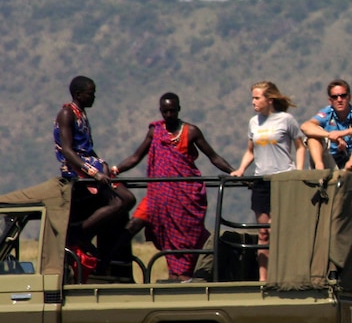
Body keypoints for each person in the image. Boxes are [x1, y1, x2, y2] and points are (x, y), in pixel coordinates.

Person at [112, 93, 236, 281]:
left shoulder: (191, 131)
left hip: (185, 197)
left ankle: (183, 277)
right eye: (165, 111)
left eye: (172, 111)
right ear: (160, 111)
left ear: (179, 109)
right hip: (158, 197)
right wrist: (115, 170)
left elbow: (214, 156)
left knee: (187, 238)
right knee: (133, 225)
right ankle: (113, 269)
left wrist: (234, 172)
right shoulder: (155, 132)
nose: (169, 115)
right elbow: (136, 157)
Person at [54, 75, 136, 282]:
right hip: (77, 169)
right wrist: (94, 172)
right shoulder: (67, 113)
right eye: (91, 93)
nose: (94, 97)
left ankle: (89, 235)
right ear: (78, 94)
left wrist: (103, 167)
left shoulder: (82, 115)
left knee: (128, 198)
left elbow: (87, 148)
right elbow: (68, 151)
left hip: (91, 165)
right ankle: (80, 233)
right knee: (122, 199)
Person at [231, 81, 305, 281]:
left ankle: (285, 276)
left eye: (257, 98)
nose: (253, 102)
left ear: (269, 99)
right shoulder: (254, 122)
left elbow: (300, 146)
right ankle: (263, 280)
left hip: (283, 181)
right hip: (261, 181)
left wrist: (298, 172)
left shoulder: (286, 120)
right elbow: (250, 151)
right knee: (263, 233)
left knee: (278, 230)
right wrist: (240, 169)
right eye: (252, 98)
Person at [300, 79, 352, 173]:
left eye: (343, 96)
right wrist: (329, 135)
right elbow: (305, 126)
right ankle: (319, 166)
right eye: (335, 97)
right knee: (313, 134)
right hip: (332, 164)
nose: (339, 100)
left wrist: (344, 133)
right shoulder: (327, 113)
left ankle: (350, 164)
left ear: (349, 97)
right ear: (330, 100)